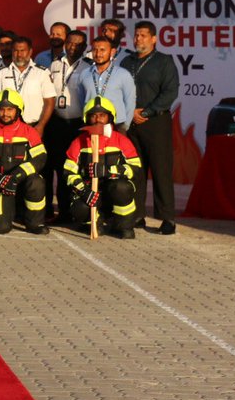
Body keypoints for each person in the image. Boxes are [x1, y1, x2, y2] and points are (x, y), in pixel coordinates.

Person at [122, 20, 180, 234]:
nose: (138, 39)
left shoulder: (164, 62)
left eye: (144, 35)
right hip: (132, 123)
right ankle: (137, 215)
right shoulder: (128, 62)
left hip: (156, 122)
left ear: (154, 39)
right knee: (135, 170)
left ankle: (167, 219)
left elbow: (170, 92)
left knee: (160, 170)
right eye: (136, 35)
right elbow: (121, 91)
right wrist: (131, 113)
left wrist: (146, 112)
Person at [0, 89, 50, 235]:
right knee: (0, 227)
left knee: (36, 182)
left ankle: (34, 223)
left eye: (10, 109)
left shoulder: (29, 132)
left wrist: (16, 176)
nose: (5, 114)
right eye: (2, 109)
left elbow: (40, 159)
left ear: (18, 110)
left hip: (21, 184)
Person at [64, 97, 141, 239]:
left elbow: (135, 168)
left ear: (110, 117)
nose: (98, 119)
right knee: (79, 207)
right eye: (93, 115)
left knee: (122, 188)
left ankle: (123, 226)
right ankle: (93, 223)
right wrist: (84, 190)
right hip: (91, 191)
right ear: (87, 118)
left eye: (102, 115)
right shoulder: (78, 142)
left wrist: (108, 171)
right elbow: (68, 172)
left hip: (113, 190)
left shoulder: (121, 140)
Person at [44, 30, 88, 222]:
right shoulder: (54, 65)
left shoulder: (88, 68)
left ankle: (72, 212)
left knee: (72, 170)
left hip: (77, 124)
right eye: (70, 43)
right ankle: (53, 211)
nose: (73, 47)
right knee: (53, 167)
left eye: (78, 44)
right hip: (56, 123)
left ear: (84, 48)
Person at [0, 36, 56, 133]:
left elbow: (49, 102)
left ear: (30, 51)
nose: (19, 54)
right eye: (16, 50)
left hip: (34, 126)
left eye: (22, 50)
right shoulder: (2, 73)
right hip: (7, 128)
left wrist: (41, 125)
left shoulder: (42, 73)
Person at [76, 36, 136, 132]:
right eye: (95, 50)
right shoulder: (84, 74)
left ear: (112, 52)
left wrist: (125, 126)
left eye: (102, 50)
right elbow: (81, 100)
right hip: (92, 125)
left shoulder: (123, 74)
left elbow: (130, 102)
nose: (98, 54)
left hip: (117, 126)